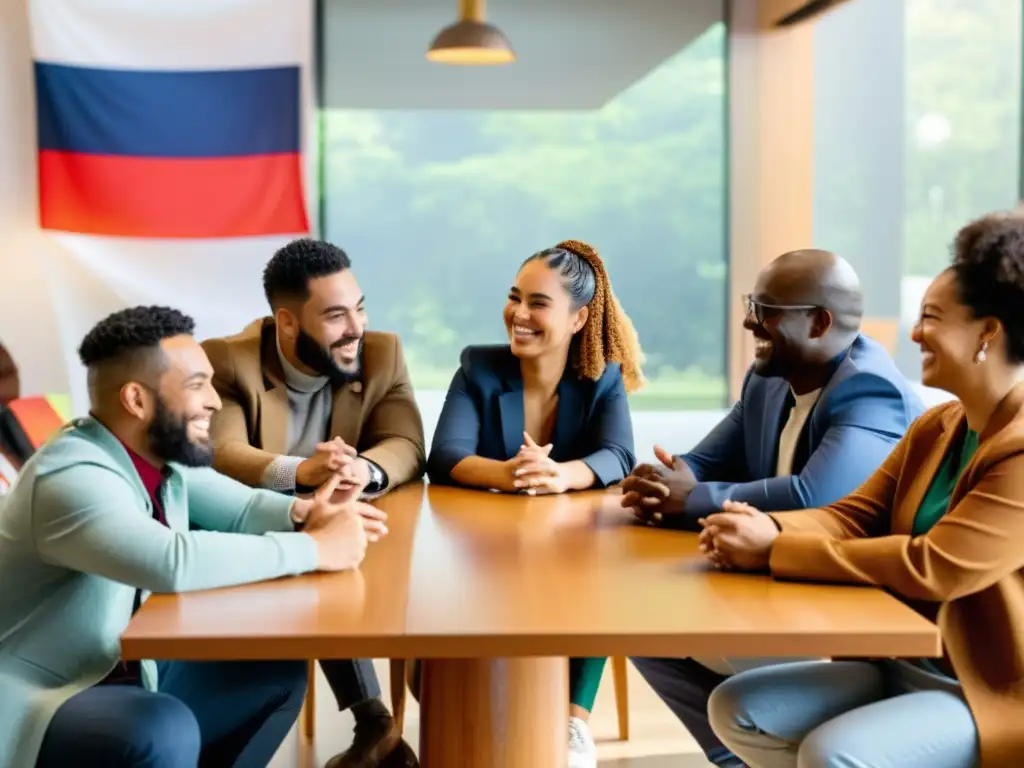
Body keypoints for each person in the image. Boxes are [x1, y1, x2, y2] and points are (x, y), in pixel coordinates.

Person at [702, 211, 1024, 768]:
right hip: (898, 664)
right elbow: (853, 514)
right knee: (739, 707)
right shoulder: (937, 427)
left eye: (932, 319)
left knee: (834, 753)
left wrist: (775, 549)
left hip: (984, 690)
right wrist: (764, 525)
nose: (915, 333)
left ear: (987, 334)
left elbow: (938, 565)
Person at [0, 306, 378, 768]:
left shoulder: (158, 460)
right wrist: (317, 546)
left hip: (122, 670)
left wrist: (308, 512)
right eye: (197, 385)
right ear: (137, 400)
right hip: (42, 694)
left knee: (272, 672)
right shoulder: (69, 475)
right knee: (160, 727)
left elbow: (242, 509)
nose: (215, 402)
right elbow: (170, 561)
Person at [622, 249, 924, 767]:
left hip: (845, 608)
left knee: (670, 620)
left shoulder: (871, 390)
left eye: (765, 309)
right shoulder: (767, 378)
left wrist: (688, 498)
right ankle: (736, 760)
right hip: (769, 578)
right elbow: (707, 459)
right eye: (750, 303)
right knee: (641, 624)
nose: (747, 321)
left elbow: (817, 497)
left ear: (820, 322)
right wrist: (667, 480)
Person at [202, 238, 424, 768]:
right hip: (263, 528)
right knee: (316, 552)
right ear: (287, 322)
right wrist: (301, 472)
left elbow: (407, 445)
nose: (356, 328)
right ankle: (376, 723)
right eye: (335, 316)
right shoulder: (229, 361)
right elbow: (223, 453)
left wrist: (362, 470)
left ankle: (378, 723)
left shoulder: (382, 353)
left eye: (360, 307)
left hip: (359, 517)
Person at [426, 239, 644, 768]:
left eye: (538, 303)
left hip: (573, 545)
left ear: (577, 319)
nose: (518, 315)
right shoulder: (478, 367)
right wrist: (510, 473)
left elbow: (618, 455)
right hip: (486, 546)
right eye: (514, 297)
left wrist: (561, 475)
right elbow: (445, 456)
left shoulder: (602, 376)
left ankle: (574, 722)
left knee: (599, 579)